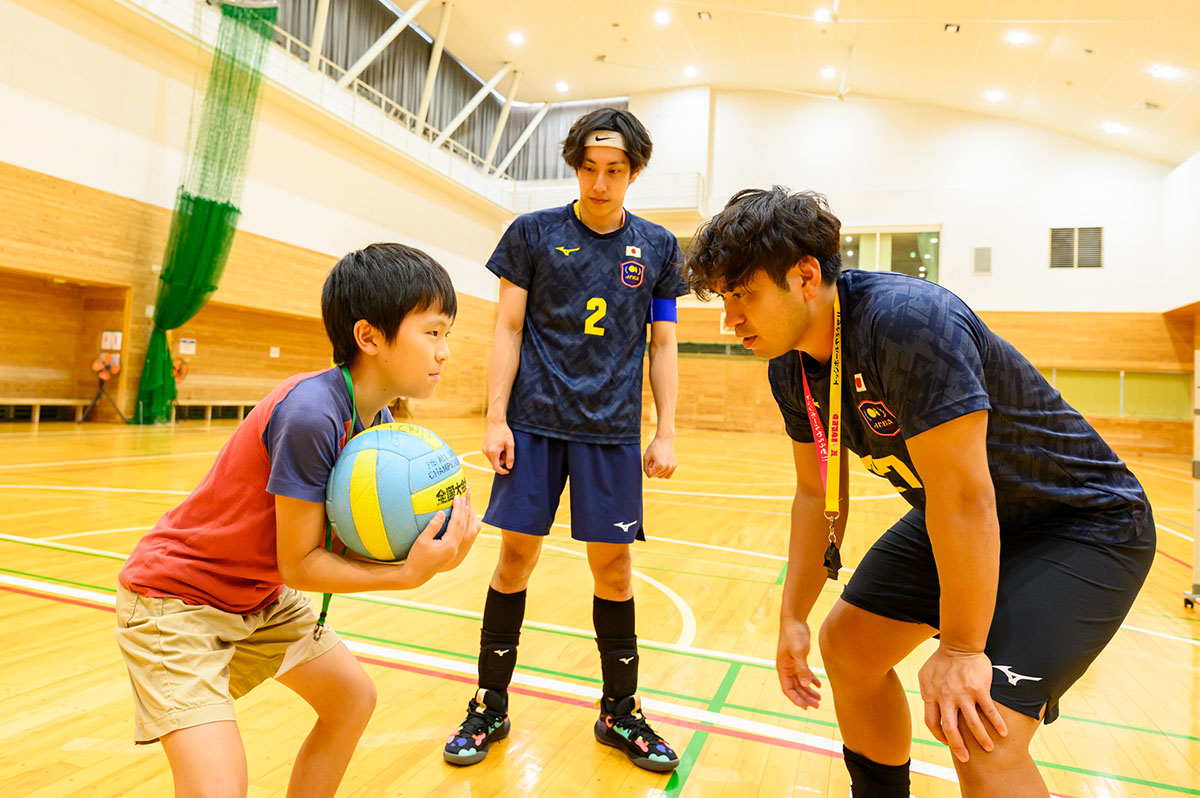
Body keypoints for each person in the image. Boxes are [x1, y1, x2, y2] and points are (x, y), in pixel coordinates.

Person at [685, 187, 1155, 797]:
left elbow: (964, 498)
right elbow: (816, 494)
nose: (729, 320)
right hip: (971, 512)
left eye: (742, 295)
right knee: (847, 647)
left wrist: (961, 648)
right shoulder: (790, 364)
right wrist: (793, 616)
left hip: (1081, 524)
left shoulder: (907, 322)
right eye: (723, 299)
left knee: (978, 727)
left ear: (804, 277)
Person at [115, 243, 482, 798]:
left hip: (256, 598)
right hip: (178, 600)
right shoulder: (312, 414)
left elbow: (341, 545)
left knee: (351, 700)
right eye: (432, 332)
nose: (445, 351)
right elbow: (301, 563)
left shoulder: (377, 423)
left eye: (446, 333)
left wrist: (434, 551)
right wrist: (407, 575)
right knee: (219, 788)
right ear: (369, 337)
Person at [441, 108, 685, 772]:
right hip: (535, 424)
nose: (599, 184)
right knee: (514, 561)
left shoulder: (659, 247)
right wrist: (495, 419)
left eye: (614, 171)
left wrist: (664, 429)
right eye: (588, 169)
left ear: (634, 172)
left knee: (615, 571)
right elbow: (507, 328)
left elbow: (663, 343)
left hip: (611, 433)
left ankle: (621, 712)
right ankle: (489, 705)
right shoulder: (532, 233)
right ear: (575, 166)